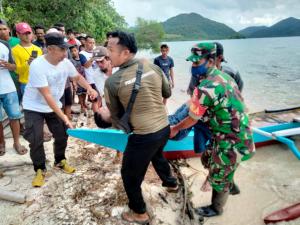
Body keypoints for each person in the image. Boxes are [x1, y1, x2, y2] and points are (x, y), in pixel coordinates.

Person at [170, 42, 255, 217]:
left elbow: (191, 120)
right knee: (207, 159)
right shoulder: (226, 77)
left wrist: (175, 128)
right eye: (192, 62)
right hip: (230, 134)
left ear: (210, 61)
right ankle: (228, 180)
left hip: (232, 141)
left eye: (196, 62)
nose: (193, 66)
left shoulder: (205, 88)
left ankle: (216, 208)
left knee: (218, 177)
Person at [104, 31, 178, 224]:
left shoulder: (113, 81)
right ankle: (171, 183)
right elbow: (167, 92)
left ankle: (140, 213)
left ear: (125, 52)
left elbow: (117, 115)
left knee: (129, 175)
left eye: (110, 50)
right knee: (157, 154)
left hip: (144, 135)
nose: (107, 54)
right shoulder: (153, 66)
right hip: (164, 127)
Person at [22, 32, 98, 187]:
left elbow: (77, 77)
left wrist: (89, 88)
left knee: (62, 135)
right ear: (50, 49)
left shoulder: (66, 62)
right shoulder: (37, 65)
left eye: (67, 49)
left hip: (54, 104)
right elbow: (47, 95)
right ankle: (40, 168)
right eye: (62, 50)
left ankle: (59, 160)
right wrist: (64, 117)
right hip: (34, 107)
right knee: (36, 139)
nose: (66, 53)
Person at [0, 40, 27, 156]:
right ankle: (1, 143)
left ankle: (16, 143)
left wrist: (9, 65)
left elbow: (14, 66)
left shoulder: (5, 45)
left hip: (8, 88)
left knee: (15, 117)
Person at [12, 22, 43, 99]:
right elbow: (17, 70)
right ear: (18, 34)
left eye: (29, 33)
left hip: (39, 82)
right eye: (24, 33)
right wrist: (27, 63)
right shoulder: (14, 50)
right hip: (26, 83)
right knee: (30, 109)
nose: (27, 35)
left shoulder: (38, 49)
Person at [69, 44, 88, 113]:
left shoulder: (82, 58)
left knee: (84, 91)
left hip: (84, 77)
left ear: (78, 51)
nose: (73, 52)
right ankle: (82, 106)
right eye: (72, 51)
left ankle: (84, 102)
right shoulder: (70, 61)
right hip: (77, 79)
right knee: (79, 93)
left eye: (75, 50)